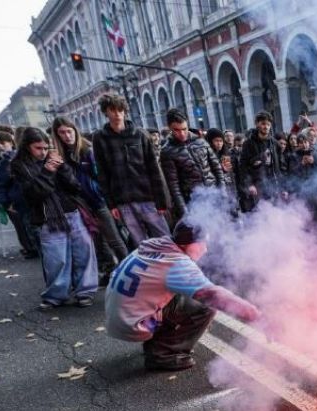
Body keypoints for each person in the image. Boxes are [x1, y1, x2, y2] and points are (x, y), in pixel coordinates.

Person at [104, 220, 261, 371]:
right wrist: (255, 314)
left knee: (183, 295)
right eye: (202, 244)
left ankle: (158, 341)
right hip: (134, 324)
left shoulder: (155, 246)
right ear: (187, 244)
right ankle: (163, 354)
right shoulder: (176, 264)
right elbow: (213, 295)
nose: (205, 249)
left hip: (119, 316)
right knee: (205, 306)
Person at [11, 128, 98, 309]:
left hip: (72, 210)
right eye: (38, 148)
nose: (43, 152)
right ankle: (56, 295)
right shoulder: (20, 165)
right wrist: (48, 171)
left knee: (83, 253)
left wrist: (63, 167)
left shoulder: (54, 158)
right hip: (47, 216)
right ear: (27, 147)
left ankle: (85, 292)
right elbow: (35, 193)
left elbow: (74, 186)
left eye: (45, 148)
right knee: (56, 259)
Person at [52, 116, 129, 283]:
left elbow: (102, 177)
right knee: (96, 240)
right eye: (62, 133)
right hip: (80, 204)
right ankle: (108, 270)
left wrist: (105, 197)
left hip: (98, 201)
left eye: (69, 131)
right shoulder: (61, 155)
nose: (67, 136)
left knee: (114, 239)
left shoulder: (88, 151)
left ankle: (129, 271)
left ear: (75, 130)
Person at [91, 94, 170, 244]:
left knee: (165, 238)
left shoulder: (139, 134)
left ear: (125, 111)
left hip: (147, 197)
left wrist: (161, 201)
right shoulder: (100, 138)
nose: (117, 114)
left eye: (120, 110)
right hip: (123, 200)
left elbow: (153, 168)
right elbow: (102, 174)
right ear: (106, 112)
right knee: (141, 243)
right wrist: (111, 204)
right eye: (112, 110)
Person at [159, 108, 225, 221]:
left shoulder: (201, 141)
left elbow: (216, 167)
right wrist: (185, 211)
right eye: (176, 130)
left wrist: (222, 191)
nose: (182, 134)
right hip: (194, 201)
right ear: (170, 128)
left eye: (184, 129)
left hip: (214, 193)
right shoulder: (167, 151)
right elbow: (174, 186)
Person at [237, 110, 283, 211]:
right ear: (257, 124)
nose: (266, 127)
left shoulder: (275, 143)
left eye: (268, 124)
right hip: (257, 186)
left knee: (275, 212)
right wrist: (249, 184)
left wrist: (283, 186)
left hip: (273, 184)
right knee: (260, 213)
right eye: (263, 124)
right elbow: (243, 166)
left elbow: (280, 166)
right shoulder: (248, 144)